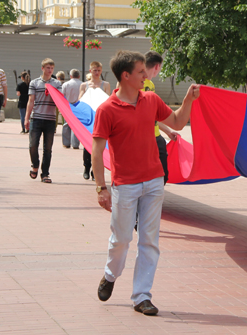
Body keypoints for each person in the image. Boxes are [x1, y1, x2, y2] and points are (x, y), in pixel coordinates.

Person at [92, 50, 200, 315]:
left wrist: (187, 101)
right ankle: (110, 274)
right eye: (141, 72)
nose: (146, 75)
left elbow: (176, 121)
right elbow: (96, 151)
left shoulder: (151, 99)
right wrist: (101, 188)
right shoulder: (107, 109)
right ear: (125, 75)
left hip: (154, 181)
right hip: (125, 185)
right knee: (122, 239)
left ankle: (142, 296)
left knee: (149, 240)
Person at [142, 51, 179, 184]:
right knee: (157, 176)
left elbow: (154, 115)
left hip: (154, 136)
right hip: (145, 138)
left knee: (160, 175)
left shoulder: (150, 85)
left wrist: (168, 131)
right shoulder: (141, 84)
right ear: (157, 67)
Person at [25, 58, 62, 183]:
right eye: (47, 68)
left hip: (50, 119)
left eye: (51, 68)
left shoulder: (57, 83)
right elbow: (30, 101)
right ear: (42, 68)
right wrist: (26, 118)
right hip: (36, 118)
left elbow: (60, 100)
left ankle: (45, 173)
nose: (50, 70)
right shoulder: (34, 83)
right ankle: (35, 164)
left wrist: (53, 92)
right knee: (33, 145)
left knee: (48, 148)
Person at [79, 62, 111, 180]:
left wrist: (98, 92)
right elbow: (80, 101)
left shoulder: (105, 84)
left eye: (98, 70)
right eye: (94, 70)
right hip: (89, 119)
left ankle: (94, 170)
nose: (96, 72)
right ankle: (86, 167)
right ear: (90, 71)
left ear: (101, 71)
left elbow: (108, 100)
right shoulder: (84, 85)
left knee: (99, 145)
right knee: (88, 144)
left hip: (100, 118)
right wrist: (90, 92)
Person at [61, 69, 82, 149]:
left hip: (68, 105)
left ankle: (66, 143)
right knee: (77, 124)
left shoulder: (66, 84)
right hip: (78, 105)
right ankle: (75, 144)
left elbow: (62, 95)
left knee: (66, 124)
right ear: (79, 76)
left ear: (70, 76)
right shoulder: (82, 84)